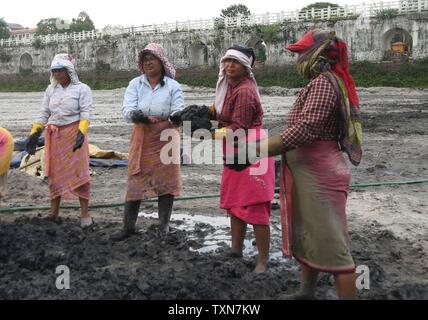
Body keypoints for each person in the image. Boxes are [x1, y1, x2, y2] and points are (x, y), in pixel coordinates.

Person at [225, 30, 362, 299]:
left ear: (317, 55)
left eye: (301, 53)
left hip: (320, 176)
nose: (297, 59)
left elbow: (305, 130)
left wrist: (254, 151)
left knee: (336, 250)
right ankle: (306, 292)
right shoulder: (320, 82)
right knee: (310, 237)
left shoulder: (324, 84)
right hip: (309, 172)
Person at [111, 43, 184, 241]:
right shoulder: (135, 84)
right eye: (145, 59)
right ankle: (128, 227)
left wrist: (177, 117)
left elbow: (178, 108)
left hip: (166, 135)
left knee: (166, 182)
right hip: (142, 134)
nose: (148, 62)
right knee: (136, 178)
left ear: (161, 61)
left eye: (152, 58)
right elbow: (127, 109)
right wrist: (136, 115)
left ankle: (163, 227)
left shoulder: (173, 86)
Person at [214, 45, 275, 273]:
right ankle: (236, 249)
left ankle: (262, 260)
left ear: (245, 66)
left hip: (251, 149)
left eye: (235, 62)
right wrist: (206, 113)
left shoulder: (245, 91)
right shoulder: (230, 87)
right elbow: (224, 113)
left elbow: (239, 126)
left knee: (256, 206)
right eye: (227, 61)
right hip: (236, 148)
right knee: (236, 203)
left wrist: (209, 132)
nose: (229, 66)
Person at [25, 53, 94, 228]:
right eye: (54, 71)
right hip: (55, 137)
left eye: (60, 71)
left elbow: (86, 113)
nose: (57, 74)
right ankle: (54, 212)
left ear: (69, 71)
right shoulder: (51, 90)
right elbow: (44, 113)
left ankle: (84, 214)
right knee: (54, 174)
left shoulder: (82, 89)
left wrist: (81, 133)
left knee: (80, 173)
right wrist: (34, 133)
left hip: (74, 135)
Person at [0, 127, 14, 198]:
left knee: (2, 167)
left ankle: (2, 192)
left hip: (5, 145)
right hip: (6, 142)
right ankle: (1, 191)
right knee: (2, 170)